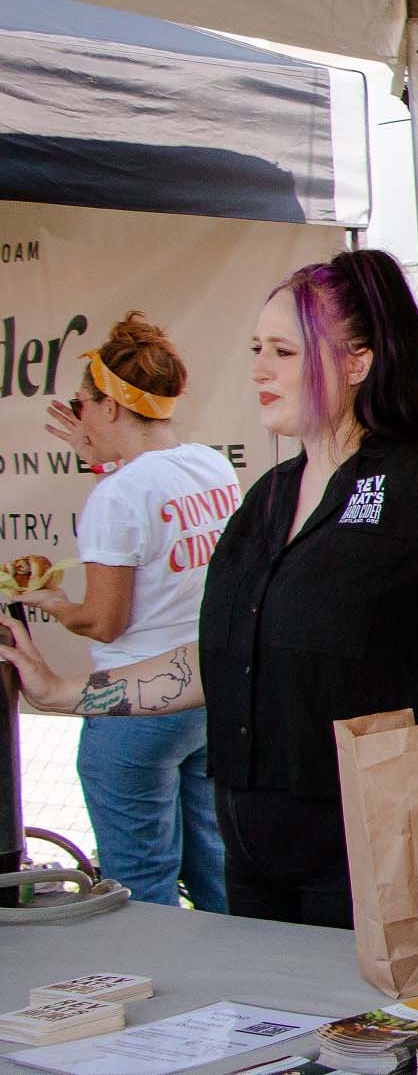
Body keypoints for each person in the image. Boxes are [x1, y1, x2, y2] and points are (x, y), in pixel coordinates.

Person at [2, 249, 418, 929]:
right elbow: (222, 660)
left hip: (377, 844)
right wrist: (66, 692)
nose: (259, 367)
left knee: (374, 1033)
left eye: (284, 352)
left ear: (356, 362)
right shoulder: (268, 497)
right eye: (259, 347)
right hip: (254, 853)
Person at [16, 313, 235, 911]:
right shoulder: (210, 465)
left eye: (82, 404)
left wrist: (60, 608)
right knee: (214, 867)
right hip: (202, 691)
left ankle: (164, 995)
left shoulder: (116, 497)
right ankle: (234, 994)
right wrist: (102, 459)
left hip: (134, 701)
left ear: (109, 407)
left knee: (140, 881)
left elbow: (105, 621)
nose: (78, 416)